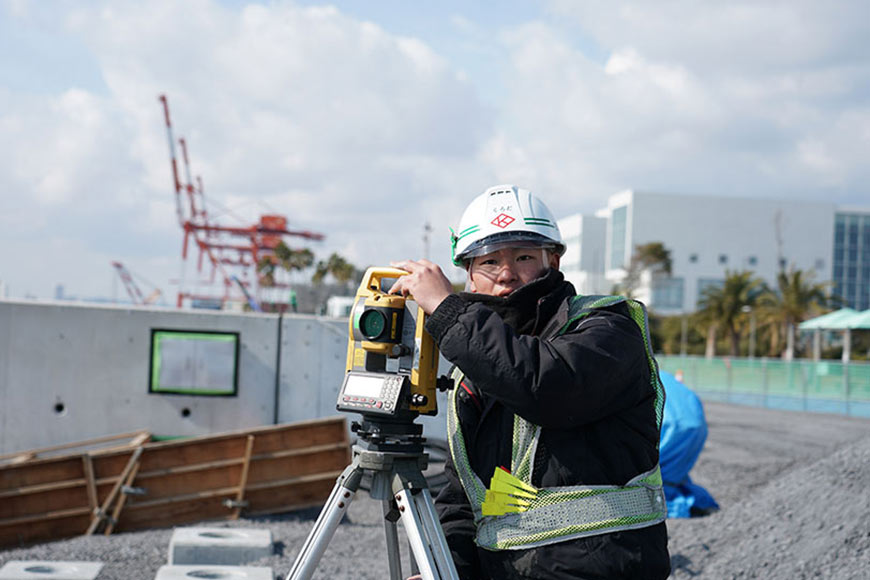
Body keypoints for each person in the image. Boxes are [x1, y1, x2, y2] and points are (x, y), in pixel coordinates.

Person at [390, 184, 670, 580]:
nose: (506, 274)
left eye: (523, 256)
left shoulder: (608, 329)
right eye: (489, 262)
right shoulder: (475, 370)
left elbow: (545, 387)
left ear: (552, 262)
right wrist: (443, 568)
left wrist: (448, 313)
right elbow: (462, 499)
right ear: (469, 275)